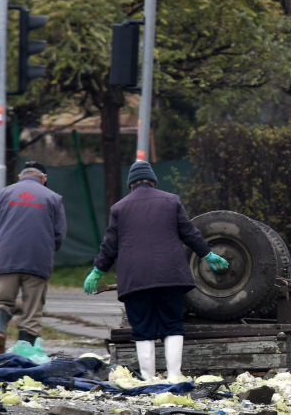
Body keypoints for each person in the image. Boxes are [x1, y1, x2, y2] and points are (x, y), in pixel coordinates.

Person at [84, 161, 229, 382]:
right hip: (170, 275)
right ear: (153, 182)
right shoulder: (171, 200)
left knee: (142, 327)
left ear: (131, 185)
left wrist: (97, 270)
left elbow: (110, 246)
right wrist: (207, 254)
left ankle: (149, 378)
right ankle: (174, 375)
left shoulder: (119, 208)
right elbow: (190, 233)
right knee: (172, 324)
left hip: (135, 278)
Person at [0, 161, 67, 355]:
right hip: (38, 261)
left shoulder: (4, 193)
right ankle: (24, 354)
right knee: (32, 312)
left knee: (0, 301)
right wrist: (46, 251)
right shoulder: (54, 198)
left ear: (20, 177)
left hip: (7, 258)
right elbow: (59, 235)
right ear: (44, 179)